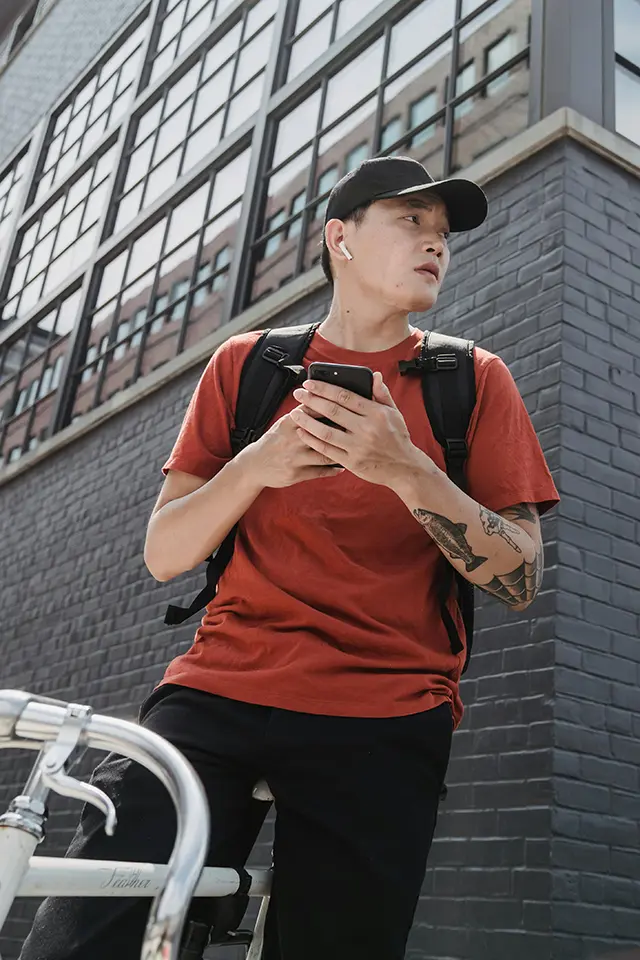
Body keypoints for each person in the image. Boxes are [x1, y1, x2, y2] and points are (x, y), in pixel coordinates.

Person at [19, 156, 560, 960]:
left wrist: (406, 469)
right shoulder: (248, 366)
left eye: (444, 233)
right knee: (82, 934)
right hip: (216, 694)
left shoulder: (474, 381)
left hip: (386, 710)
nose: (436, 244)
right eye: (411, 221)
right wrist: (256, 466)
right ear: (340, 238)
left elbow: (520, 577)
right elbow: (165, 554)